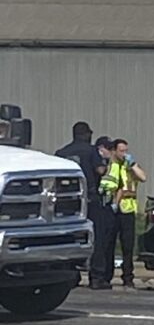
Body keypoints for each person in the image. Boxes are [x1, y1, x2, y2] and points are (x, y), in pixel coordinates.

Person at [56, 122, 104, 288]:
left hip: (67, 202)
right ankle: (96, 277)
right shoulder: (91, 151)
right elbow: (100, 170)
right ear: (86, 134)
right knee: (95, 237)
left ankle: (69, 273)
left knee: (68, 237)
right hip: (89, 198)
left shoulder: (62, 153)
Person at [108, 139, 147, 289]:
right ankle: (107, 275)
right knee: (109, 244)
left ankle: (128, 276)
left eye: (126, 151)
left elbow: (143, 177)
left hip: (128, 209)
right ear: (114, 151)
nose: (124, 154)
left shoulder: (130, 166)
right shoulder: (111, 166)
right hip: (112, 209)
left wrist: (132, 165)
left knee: (128, 246)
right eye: (121, 151)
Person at [92, 138, 119, 289]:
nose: (111, 151)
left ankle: (103, 275)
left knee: (107, 243)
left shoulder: (112, 165)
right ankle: (97, 276)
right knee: (99, 243)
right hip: (99, 205)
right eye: (109, 148)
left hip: (108, 205)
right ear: (101, 148)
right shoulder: (98, 164)